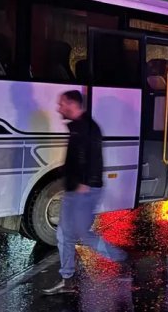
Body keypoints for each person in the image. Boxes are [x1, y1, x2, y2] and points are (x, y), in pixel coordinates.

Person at [42, 90, 129, 295]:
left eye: (62, 104)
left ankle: (121, 258)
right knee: (64, 234)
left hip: (84, 191)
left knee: (83, 234)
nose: (59, 108)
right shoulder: (77, 127)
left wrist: (84, 183)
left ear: (72, 104)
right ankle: (67, 280)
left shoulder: (88, 128)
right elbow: (75, 159)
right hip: (74, 189)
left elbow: (93, 159)